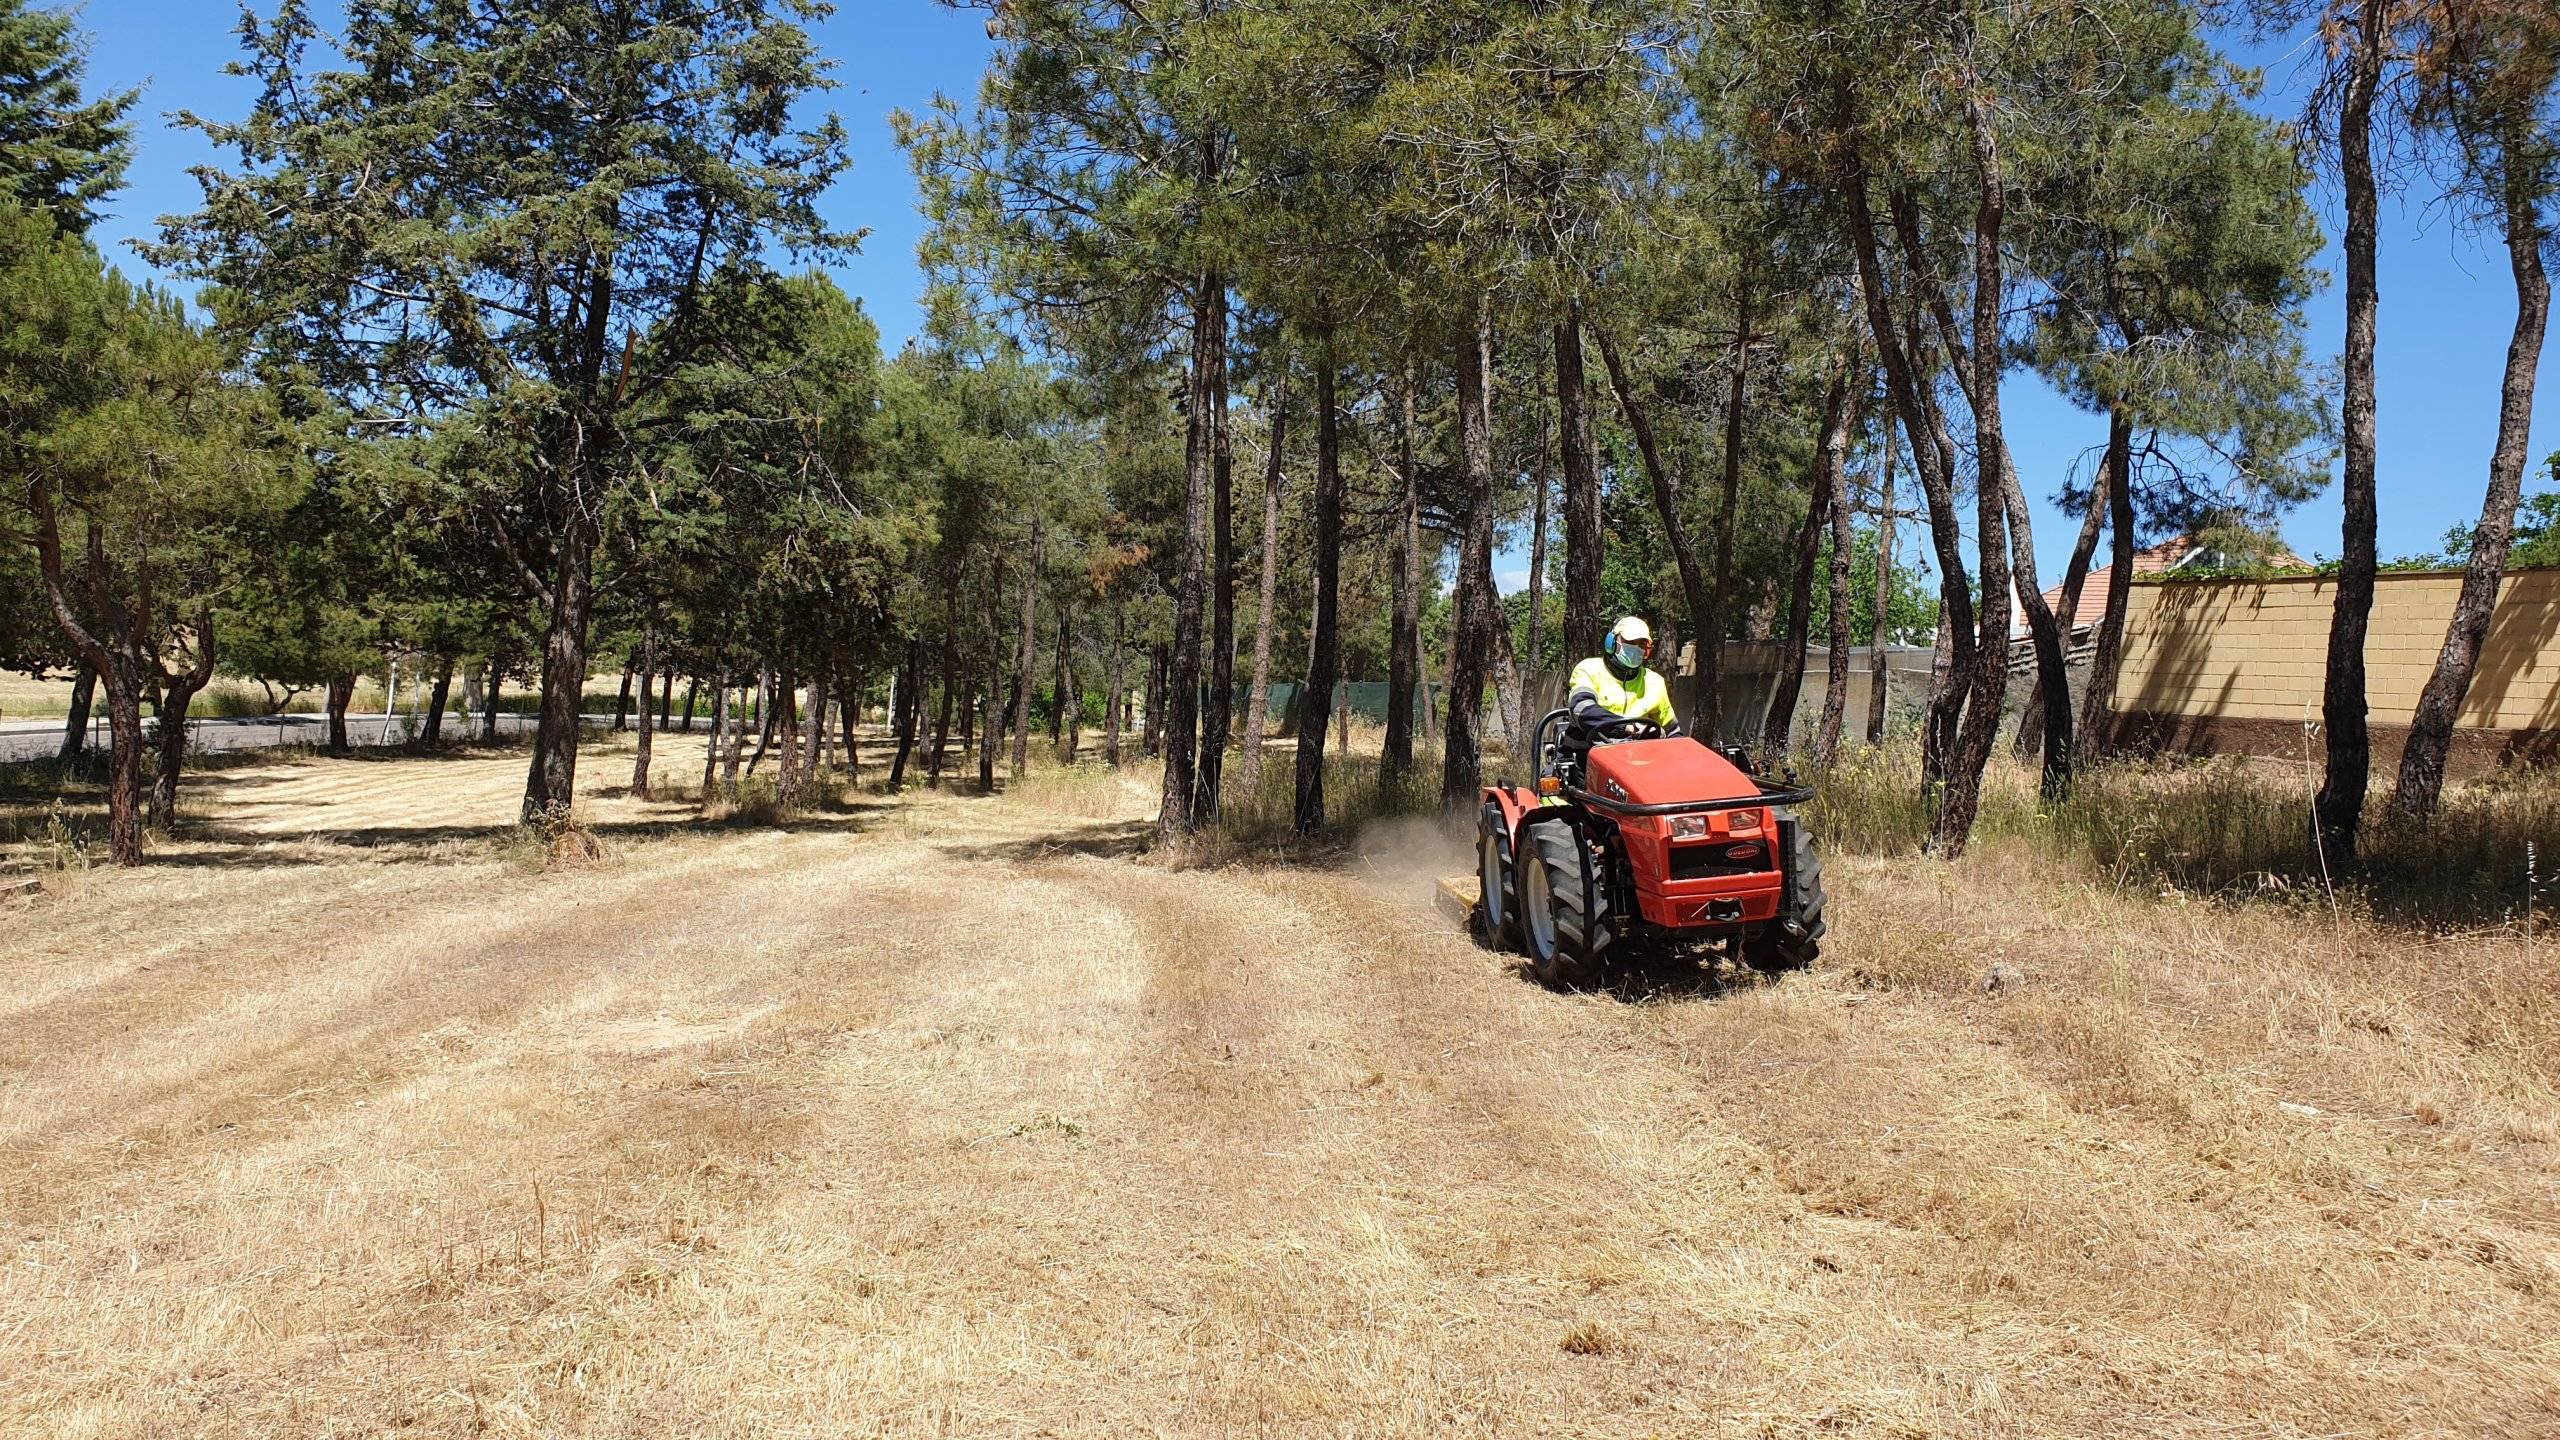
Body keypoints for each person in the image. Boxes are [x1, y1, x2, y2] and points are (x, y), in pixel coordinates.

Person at [1567, 615, 1681, 739]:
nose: (1636, 648)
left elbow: (1673, 731)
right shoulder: (1589, 669)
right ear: (1611, 642)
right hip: (1584, 752)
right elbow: (1581, 709)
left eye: (1641, 644)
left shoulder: (1654, 681)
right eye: (1630, 642)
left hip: (1638, 755)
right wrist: (1627, 727)